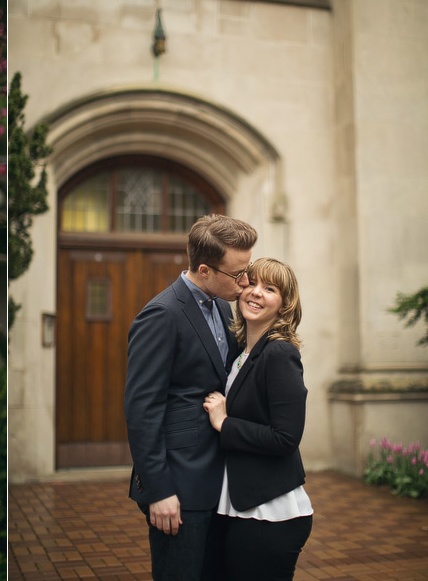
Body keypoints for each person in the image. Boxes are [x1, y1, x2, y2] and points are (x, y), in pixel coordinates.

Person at [125, 213, 258, 581]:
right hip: (178, 487)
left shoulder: (221, 304)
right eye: (238, 274)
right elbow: (142, 409)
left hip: (219, 479)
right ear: (204, 269)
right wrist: (159, 491)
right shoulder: (161, 315)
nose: (246, 282)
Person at [203, 257, 312, 581]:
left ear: (284, 304)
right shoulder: (242, 354)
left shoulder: (280, 353)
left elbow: (285, 437)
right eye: (251, 283)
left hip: (271, 513)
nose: (256, 293)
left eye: (270, 288)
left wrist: (225, 423)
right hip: (242, 507)